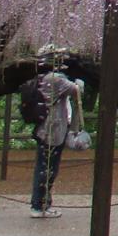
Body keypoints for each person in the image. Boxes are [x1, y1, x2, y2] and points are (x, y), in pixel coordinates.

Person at [27, 45, 83, 218]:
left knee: (45, 166)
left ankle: (42, 204)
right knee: (47, 168)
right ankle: (39, 206)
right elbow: (77, 90)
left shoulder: (42, 77)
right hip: (52, 130)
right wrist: (80, 81)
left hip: (46, 128)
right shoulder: (55, 79)